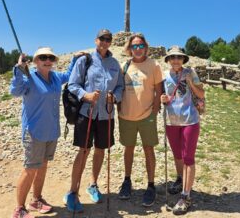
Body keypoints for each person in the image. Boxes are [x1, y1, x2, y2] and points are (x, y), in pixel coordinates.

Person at [10, 47, 80, 218]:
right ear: (35, 61)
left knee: (42, 167)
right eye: (43, 57)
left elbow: (69, 75)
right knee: (30, 169)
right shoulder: (29, 78)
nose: (47, 60)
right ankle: (19, 209)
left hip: (51, 131)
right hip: (34, 132)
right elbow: (15, 91)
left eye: (50, 57)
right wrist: (18, 69)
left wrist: (74, 58)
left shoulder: (56, 77)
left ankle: (36, 199)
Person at [64, 29, 124, 213]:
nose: (105, 42)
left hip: (106, 114)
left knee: (100, 150)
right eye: (102, 39)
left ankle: (93, 184)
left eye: (108, 39)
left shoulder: (115, 63)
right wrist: (86, 95)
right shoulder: (85, 60)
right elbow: (73, 84)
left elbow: (121, 86)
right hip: (86, 113)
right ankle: (72, 192)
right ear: (96, 40)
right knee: (83, 150)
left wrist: (115, 98)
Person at [118, 33, 163, 207]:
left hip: (147, 116)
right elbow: (119, 88)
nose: (137, 49)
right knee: (128, 149)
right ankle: (127, 180)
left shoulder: (154, 65)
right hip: (126, 115)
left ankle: (151, 185)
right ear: (129, 49)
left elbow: (159, 90)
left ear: (145, 47)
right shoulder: (124, 65)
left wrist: (155, 110)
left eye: (140, 45)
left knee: (148, 149)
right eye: (134, 46)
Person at [160, 46, 204, 215]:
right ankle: (180, 179)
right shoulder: (165, 75)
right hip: (172, 121)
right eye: (172, 57)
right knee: (177, 154)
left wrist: (191, 82)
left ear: (183, 59)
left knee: (188, 158)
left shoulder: (190, 72)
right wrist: (163, 99)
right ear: (168, 60)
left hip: (190, 120)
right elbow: (163, 96)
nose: (176, 60)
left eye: (179, 57)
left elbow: (201, 94)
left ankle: (185, 196)